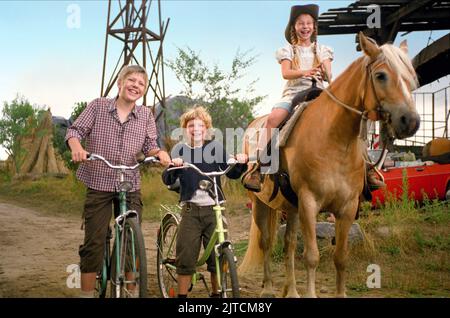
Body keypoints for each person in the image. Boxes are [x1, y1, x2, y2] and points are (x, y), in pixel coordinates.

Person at [65, 65, 171, 298]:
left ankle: (130, 292)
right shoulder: (98, 106)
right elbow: (74, 131)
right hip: (99, 181)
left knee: (132, 241)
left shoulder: (145, 115)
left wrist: (159, 153)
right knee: (94, 242)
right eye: (131, 80)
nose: (135, 86)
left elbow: (149, 145)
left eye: (141, 83)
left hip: (130, 183)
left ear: (143, 90)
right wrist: (77, 148)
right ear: (120, 83)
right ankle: (86, 294)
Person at [242, 4, 333, 192]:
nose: (305, 27)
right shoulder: (288, 50)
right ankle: (259, 167)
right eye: (301, 23)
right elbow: (286, 73)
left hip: (319, 93)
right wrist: (306, 71)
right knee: (273, 119)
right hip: (294, 93)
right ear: (294, 27)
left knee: (348, 116)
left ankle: (365, 167)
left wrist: (324, 71)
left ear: (314, 27)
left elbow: (329, 75)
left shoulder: (323, 50)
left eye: (309, 23)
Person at [162, 106, 248, 298]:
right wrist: (174, 165)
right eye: (191, 125)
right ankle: (182, 297)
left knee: (216, 256)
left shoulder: (215, 148)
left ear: (207, 128)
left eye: (201, 125)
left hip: (214, 208)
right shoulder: (180, 149)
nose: (196, 128)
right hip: (191, 210)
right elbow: (167, 179)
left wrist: (240, 161)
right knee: (186, 257)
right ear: (185, 129)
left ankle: (217, 294)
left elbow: (231, 171)